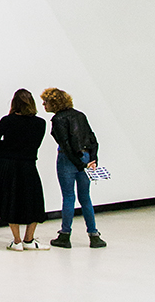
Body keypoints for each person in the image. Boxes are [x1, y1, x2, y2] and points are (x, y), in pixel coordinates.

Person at [40, 88, 107, 248]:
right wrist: (92, 159)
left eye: (46, 101)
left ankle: (65, 234)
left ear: (54, 102)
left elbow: (66, 144)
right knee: (85, 197)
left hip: (67, 159)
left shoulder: (58, 119)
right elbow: (92, 139)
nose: (43, 104)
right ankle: (94, 235)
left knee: (69, 197)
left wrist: (80, 164)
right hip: (85, 157)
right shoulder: (80, 115)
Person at [0, 89, 49, 250]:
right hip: (28, 165)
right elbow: (35, 145)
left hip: (7, 165)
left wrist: (6, 147)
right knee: (33, 200)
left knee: (10, 200)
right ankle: (29, 239)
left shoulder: (7, 121)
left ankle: (17, 240)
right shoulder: (40, 123)